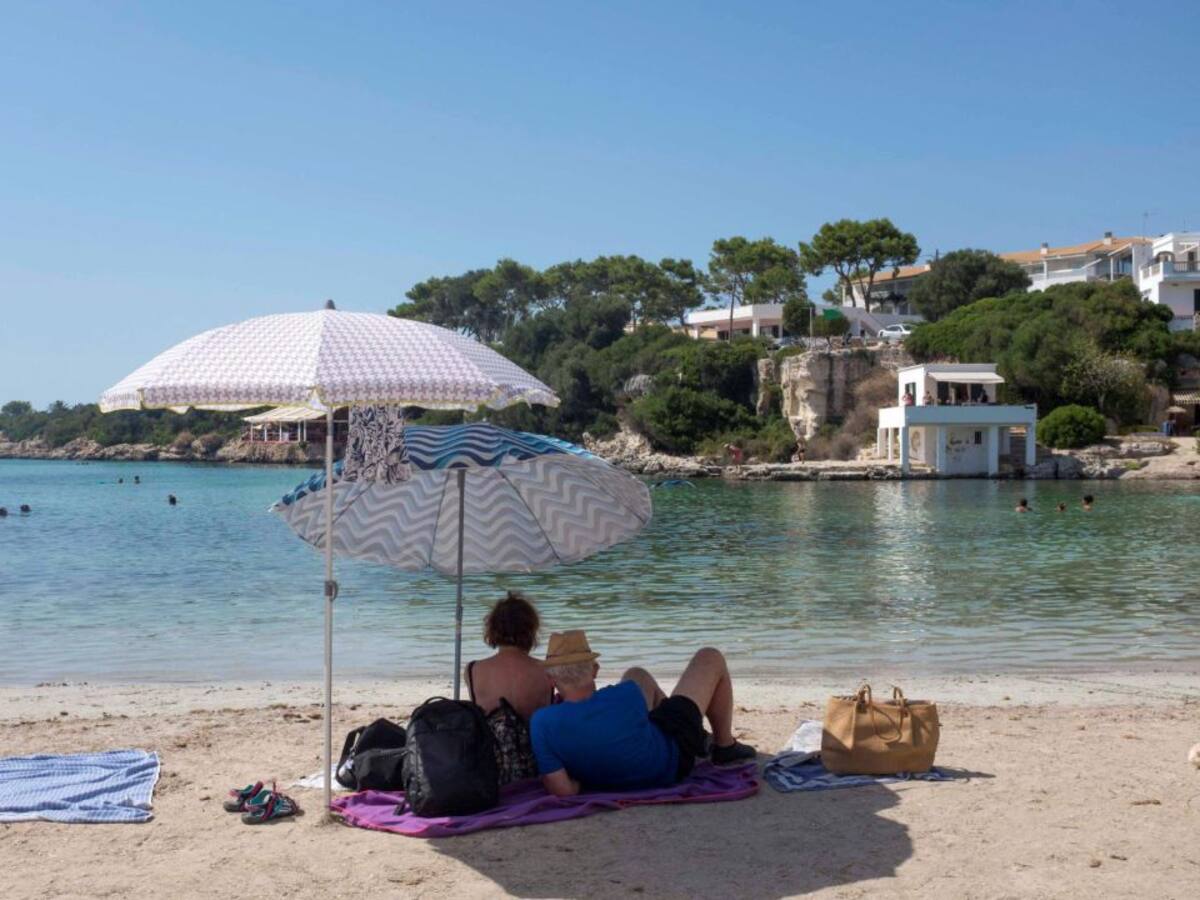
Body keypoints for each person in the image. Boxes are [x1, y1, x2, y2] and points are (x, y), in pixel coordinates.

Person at [531, 630, 756, 796]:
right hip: (670, 764)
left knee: (637, 673)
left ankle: (701, 737)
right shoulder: (625, 694)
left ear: (550, 679)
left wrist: (584, 783)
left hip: (612, 774)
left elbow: (562, 790)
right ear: (595, 670)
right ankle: (725, 746)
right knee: (710, 656)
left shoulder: (541, 723)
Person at [464, 591, 553, 723]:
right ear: (531, 629)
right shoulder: (547, 670)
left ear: (493, 628)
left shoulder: (473, 670)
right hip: (534, 736)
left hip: (490, 737)